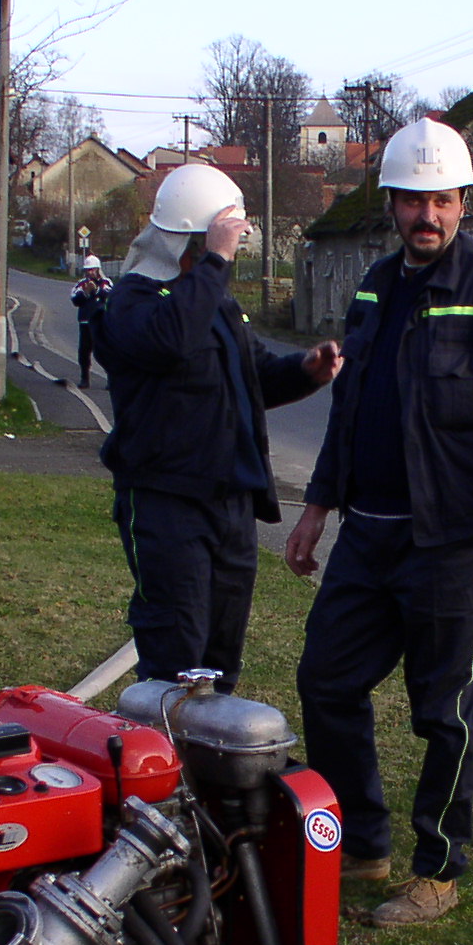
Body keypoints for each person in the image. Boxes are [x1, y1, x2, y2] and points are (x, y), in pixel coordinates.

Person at [283, 118, 473, 928]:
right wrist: (316, 507)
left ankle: (437, 869)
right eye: (412, 201)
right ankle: (362, 844)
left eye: (442, 200)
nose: (426, 216)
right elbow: (351, 410)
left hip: (450, 542)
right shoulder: (373, 286)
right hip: (367, 534)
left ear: (463, 202)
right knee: (326, 681)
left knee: (443, 712)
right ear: (393, 204)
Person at [95, 165, 343, 691]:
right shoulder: (134, 301)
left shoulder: (214, 301)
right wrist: (216, 260)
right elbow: (171, 341)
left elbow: (250, 378)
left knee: (220, 660)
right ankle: (168, 764)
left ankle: (213, 763)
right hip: (167, 503)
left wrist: (305, 371)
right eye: (211, 243)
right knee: (175, 656)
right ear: (185, 240)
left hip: (230, 505)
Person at [70, 255, 113, 389]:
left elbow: (111, 295)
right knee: (84, 351)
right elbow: (75, 300)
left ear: (98, 269)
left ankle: (110, 379)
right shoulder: (81, 284)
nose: (90, 272)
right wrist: (86, 292)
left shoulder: (106, 282)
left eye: (92, 269)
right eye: (88, 270)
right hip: (85, 322)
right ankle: (84, 378)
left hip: (101, 322)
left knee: (103, 351)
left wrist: (97, 290)